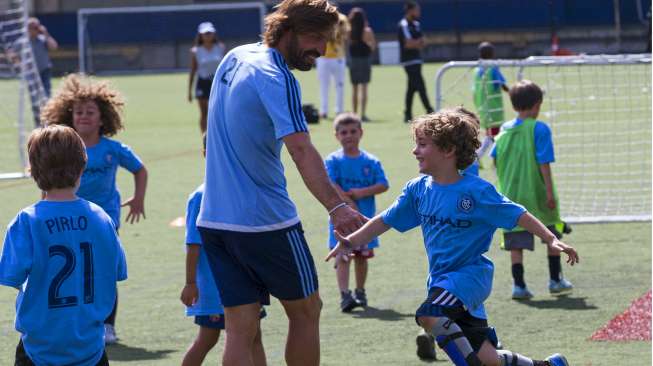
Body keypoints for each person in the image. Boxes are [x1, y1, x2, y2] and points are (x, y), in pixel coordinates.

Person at [326, 108, 579, 366]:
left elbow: (518, 214)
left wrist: (550, 238)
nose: (415, 151)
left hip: (470, 277)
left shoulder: (476, 191)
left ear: (447, 151)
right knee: (488, 359)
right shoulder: (417, 190)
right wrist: (351, 241)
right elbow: (384, 220)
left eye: (423, 145)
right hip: (441, 281)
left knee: (429, 314)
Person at [196, 0, 365, 365]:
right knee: (306, 310)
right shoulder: (278, 76)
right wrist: (337, 207)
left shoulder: (237, 56)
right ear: (288, 29)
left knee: (241, 327)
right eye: (317, 38)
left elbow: (209, 138)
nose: (321, 50)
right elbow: (301, 149)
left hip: (214, 220)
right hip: (264, 222)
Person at [0, 125, 128, 366]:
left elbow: (12, 275)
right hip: (90, 347)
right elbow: (116, 271)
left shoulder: (26, 221)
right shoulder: (101, 218)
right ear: (82, 166)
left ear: (33, 170)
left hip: (38, 348)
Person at [41, 73, 148, 344]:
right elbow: (47, 176)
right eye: (79, 112)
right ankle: (74, 319)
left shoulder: (113, 149)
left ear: (103, 118)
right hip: (68, 218)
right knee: (72, 268)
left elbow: (140, 169)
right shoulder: (66, 146)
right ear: (70, 115)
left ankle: (107, 325)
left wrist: (138, 199)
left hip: (104, 221)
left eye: (90, 112)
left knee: (103, 271)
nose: (84, 116)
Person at [180, 134, 267, 366]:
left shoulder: (244, 190)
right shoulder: (201, 196)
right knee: (207, 339)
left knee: (255, 337)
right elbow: (193, 244)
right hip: (214, 286)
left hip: (246, 282)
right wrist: (190, 283)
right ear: (206, 154)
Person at [491, 80, 573, 300]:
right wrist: (548, 192)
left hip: (510, 194)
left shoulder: (503, 130)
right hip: (536, 192)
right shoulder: (539, 128)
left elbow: (496, 161)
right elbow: (544, 162)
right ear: (537, 105)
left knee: (515, 241)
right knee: (552, 233)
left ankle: (519, 286)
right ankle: (555, 280)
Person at [325, 113, 388, 312]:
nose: (349, 136)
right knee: (343, 255)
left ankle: (360, 291)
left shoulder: (371, 161)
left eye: (353, 131)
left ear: (361, 133)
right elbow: (329, 183)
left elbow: (383, 184)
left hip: (365, 221)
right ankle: (345, 295)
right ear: (336, 135)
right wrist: (348, 202)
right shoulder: (333, 160)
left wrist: (361, 192)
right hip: (340, 222)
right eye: (343, 132)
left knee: (362, 256)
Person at [398, 1, 433, 123]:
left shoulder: (416, 24)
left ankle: (407, 113)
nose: (419, 12)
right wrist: (417, 43)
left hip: (417, 60)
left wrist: (417, 43)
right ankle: (430, 110)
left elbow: (424, 41)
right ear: (410, 10)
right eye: (417, 10)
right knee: (420, 86)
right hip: (408, 61)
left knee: (412, 88)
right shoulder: (403, 24)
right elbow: (408, 44)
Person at [188, 22, 226, 133]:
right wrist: (189, 91)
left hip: (217, 82)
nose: (208, 35)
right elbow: (193, 70)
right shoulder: (196, 51)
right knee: (204, 112)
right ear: (200, 35)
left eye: (210, 33)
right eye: (205, 33)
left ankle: (217, 134)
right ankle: (205, 137)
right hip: (203, 82)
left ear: (214, 34)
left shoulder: (220, 48)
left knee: (217, 112)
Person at [472, 42, 509, 153]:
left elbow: (474, 90)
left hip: (482, 107)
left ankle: (485, 156)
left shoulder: (477, 70)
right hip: (494, 108)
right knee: (495, 134)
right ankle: (477, 156)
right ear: (492, 54)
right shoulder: (493, 68)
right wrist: (513, 92)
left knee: (491, 133)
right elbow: (502, 83)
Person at [316, 12, 348, 119]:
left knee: (340, 86)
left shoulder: (342, 18)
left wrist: (339, 27)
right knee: (324, 86)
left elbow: (346, 34)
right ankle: (323, 110)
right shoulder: (320, 18)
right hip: (323, 57)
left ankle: (339, 110)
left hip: (338, 56)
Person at [347, 7, 376, 122]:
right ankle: (363, 114)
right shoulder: (367, 31)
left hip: (354, 60)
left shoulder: (349, 31)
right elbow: (373, 46)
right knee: (364, 88)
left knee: (354, 88)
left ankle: (354, 114)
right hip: (365, 60)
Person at [27, 17, 58, 97]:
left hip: (44, 70)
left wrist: (46, 33)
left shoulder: (43, 39)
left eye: (37, 27)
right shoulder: (23, 42)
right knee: (34, 95)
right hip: (31, 72)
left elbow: (54, 47)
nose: (37, 29)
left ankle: (47, 109)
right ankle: (37, 109)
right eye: (34, 28)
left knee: (46, 93)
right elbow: (12, 54)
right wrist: (21, 64)